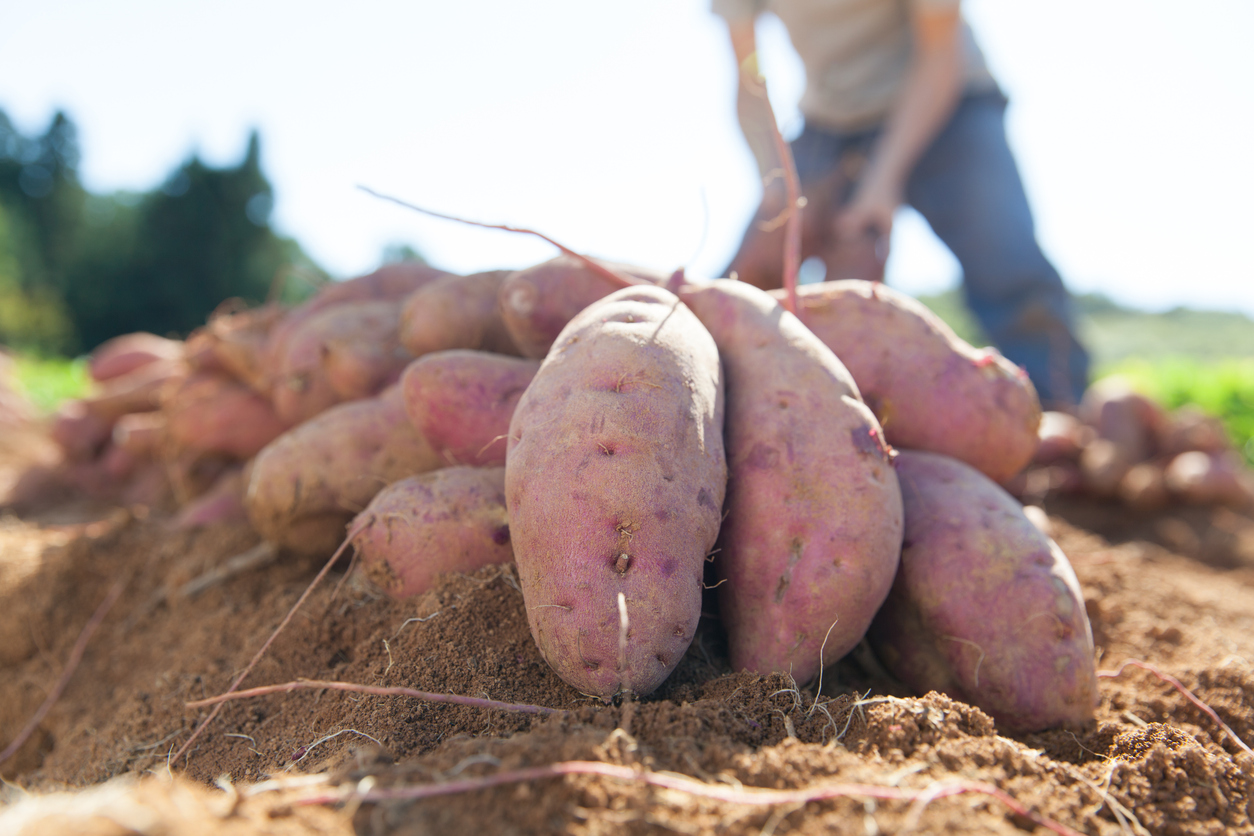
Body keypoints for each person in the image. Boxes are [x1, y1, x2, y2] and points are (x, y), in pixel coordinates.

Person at [713, 0, 1090, 407]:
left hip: (950, 94)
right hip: (831, 121)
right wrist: (777, 182)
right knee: (747, 271)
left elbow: (940, 50)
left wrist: (882, 181)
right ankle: (720, 406)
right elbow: (749, 75)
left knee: (1005, 259)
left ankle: (1058, 409)